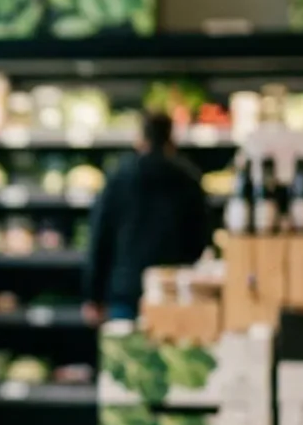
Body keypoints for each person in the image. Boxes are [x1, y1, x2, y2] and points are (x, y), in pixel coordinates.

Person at [82, 113, 211, 323]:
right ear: (171, 139)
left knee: (126, 343)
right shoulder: (188, 178)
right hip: (171, 292)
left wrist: (93, 296)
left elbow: (100, 237)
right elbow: (201, 237)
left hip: (125, 289)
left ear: (140, 138)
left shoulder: (119, 176)